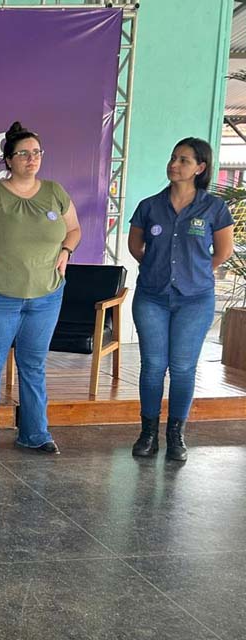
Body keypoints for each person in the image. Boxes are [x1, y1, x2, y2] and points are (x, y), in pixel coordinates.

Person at [0, 121, 81, 456]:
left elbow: (75, 230)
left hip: (46, 294)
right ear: (8, 160)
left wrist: (66, 251)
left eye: (36, 153)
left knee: (33, 365)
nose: (31, 159)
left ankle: (34, 433)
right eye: (22, 153)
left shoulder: (55, 192)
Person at [128, 138, 233, 461]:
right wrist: (159, 269)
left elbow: (223, 252)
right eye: (173, 158)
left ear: (200, 168)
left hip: (195, 300)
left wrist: (194, 273)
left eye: (184, 160)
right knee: (153, 366)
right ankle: (148, 433)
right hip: (152, 298)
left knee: (184, 368)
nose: (174, 164)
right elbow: (136, 247)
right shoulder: (149, 206)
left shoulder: (214, 208)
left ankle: (176, 435)